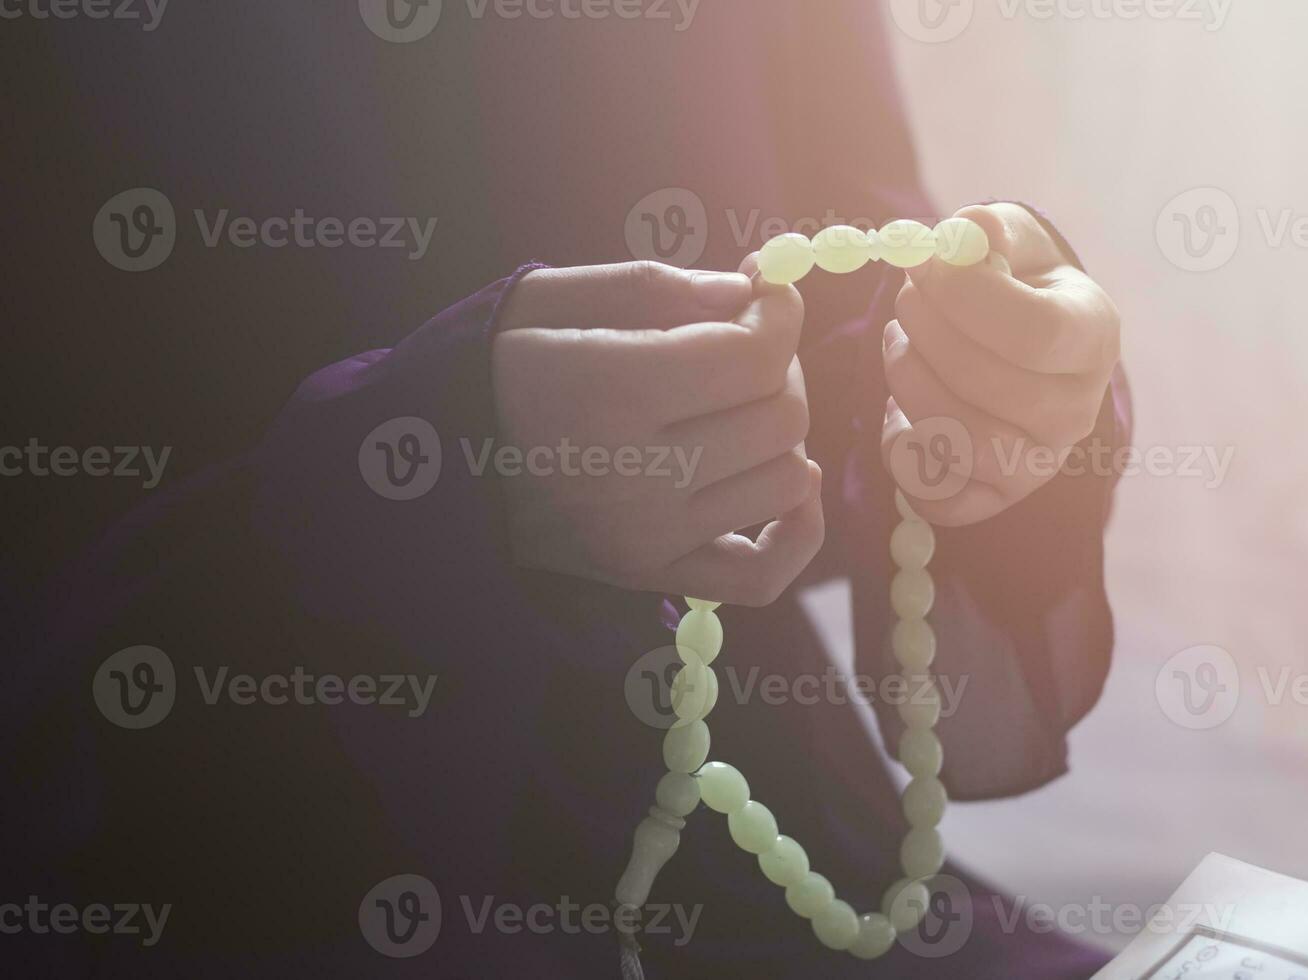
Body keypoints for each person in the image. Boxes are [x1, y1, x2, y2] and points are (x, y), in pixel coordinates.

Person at [9, 1, 1127, 975]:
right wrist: (421, 486)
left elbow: (852, 330)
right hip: (233, 890)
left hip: (775, 876)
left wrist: (991, 374)